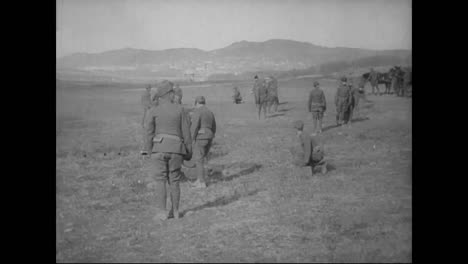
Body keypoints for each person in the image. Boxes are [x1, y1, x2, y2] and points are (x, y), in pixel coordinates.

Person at [143, 80, 192, 221]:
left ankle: (162, 213)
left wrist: (149, 151)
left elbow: (148, 133)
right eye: (172, 92)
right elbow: (186, 134)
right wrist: (188, 152)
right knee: (174, 181)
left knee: (160, 181)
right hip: (176, 149)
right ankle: (176, 212)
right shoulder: (180, 109)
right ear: (168, 94)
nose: (174, 95)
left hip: (158, 149)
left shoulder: (153, 110)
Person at [190, 96, 216, 188]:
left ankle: (201, 182)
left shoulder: (198, 111)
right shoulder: (210, 112)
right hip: (209, 135)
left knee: (199, 159)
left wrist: (191, 139)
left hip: (201, 137)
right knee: (203, 158)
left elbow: (194, 126)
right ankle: (200, 178)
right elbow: (214, 126)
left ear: (196, 103)